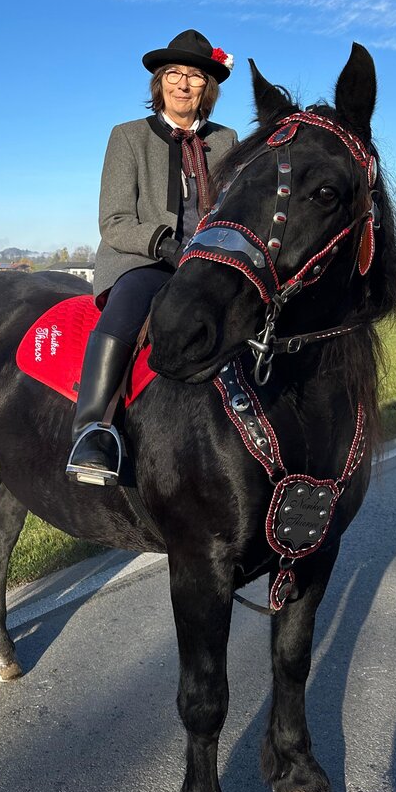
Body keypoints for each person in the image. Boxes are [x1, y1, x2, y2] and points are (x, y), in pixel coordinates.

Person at [66, 29, 238, 486]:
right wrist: (166, 245)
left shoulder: (227, 140)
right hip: (143, 259)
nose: (183, 84)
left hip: (210, 262)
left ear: (208, 88)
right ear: (159, 82)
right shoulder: (128, 137)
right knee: (129, 307)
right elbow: (114, 220)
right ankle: (92, 430)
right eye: (174, 74)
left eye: (195, 76)